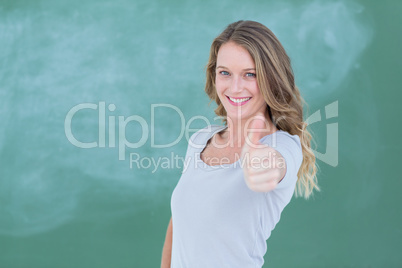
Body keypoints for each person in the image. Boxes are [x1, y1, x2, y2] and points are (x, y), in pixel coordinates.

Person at [161, 20, 319, 268]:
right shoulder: (201, 139)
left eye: (250, 74)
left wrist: (258, 162)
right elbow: (179, 222)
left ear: (271, 79)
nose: (235, 87)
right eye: (225, 72)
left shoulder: (283, 145)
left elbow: (273, 164)